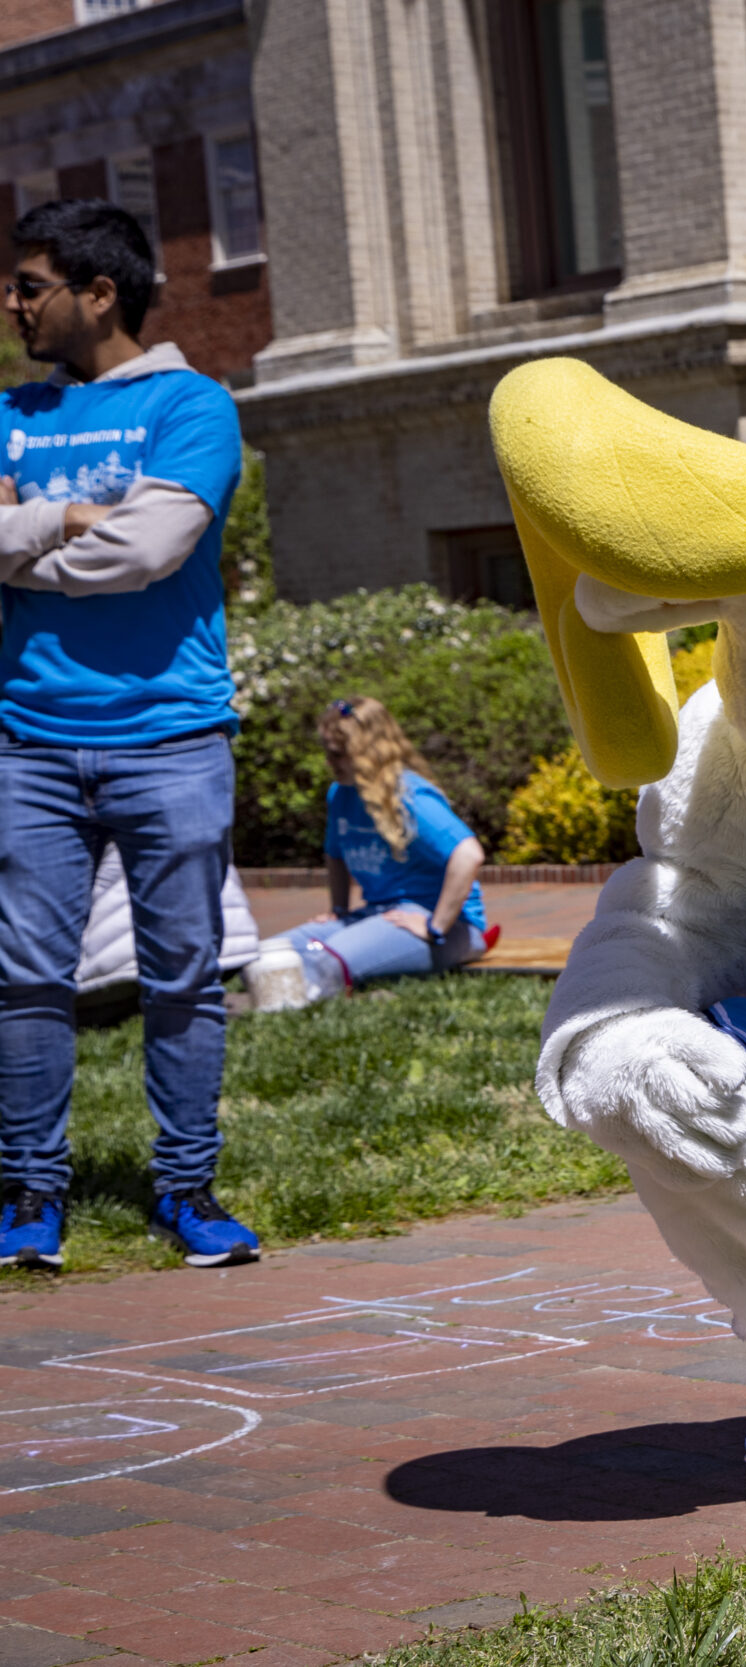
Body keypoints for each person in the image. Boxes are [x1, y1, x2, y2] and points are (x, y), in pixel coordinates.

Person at [0, 199, 256, 1270]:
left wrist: (16, 541)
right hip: (29, 740)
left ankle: (189, 1187)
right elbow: (108, 540)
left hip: (174, 737)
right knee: (22, 976)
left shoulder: (195, 406)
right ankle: (28, 1197)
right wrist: (64, 520)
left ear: (99, 295)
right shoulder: (10, 411)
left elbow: (148, 551)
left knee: (185, 977)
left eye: (29, 286)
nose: (12, 304)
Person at [250, 698, 490, 1008]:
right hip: (378, 913)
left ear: (367, 752)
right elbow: (334, 853)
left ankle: (292, 1013)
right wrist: (338, 909)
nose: (329, 762)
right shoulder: (341, 793)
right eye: (326, 752)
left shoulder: (410, 797)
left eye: (338, 754)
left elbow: (469, 855)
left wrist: (435, 926)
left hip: (448, 928)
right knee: (269, 955)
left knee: (323, 962)